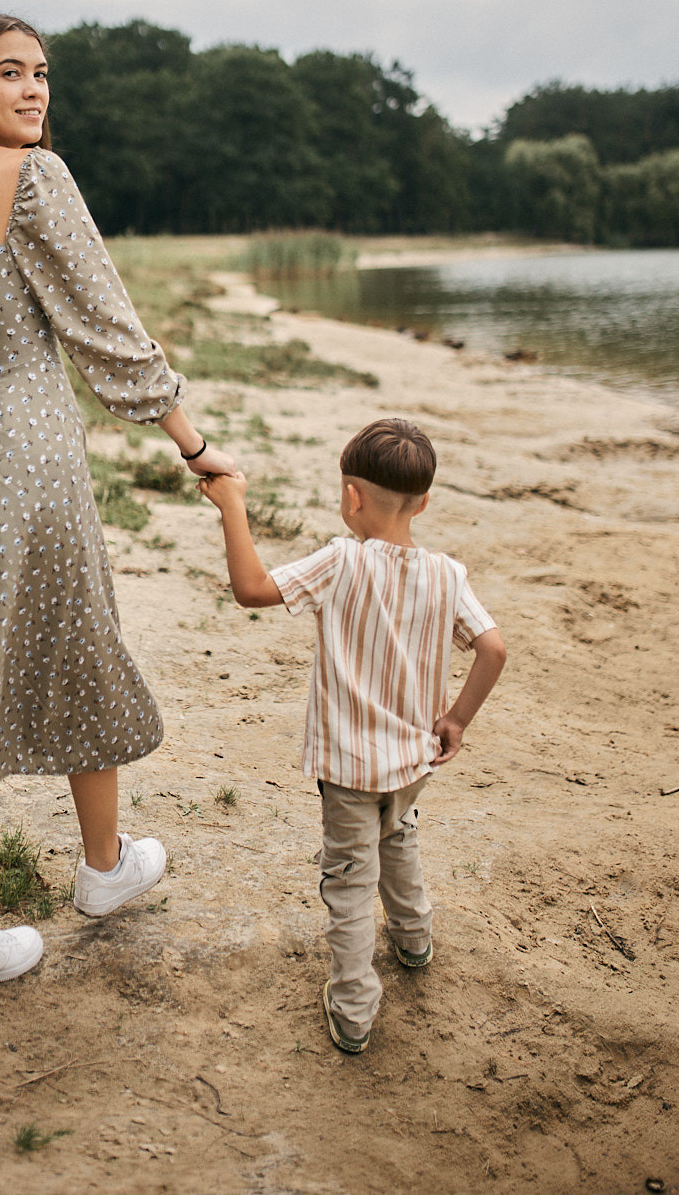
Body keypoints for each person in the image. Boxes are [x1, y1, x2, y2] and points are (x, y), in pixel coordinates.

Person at [0, 11, 235, 1010]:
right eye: (10, 74)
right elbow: (109, 332)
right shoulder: (33, 178)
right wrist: (196, 447)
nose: (35, 91)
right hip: (27, 461)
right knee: (78, 643)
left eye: (42, 75)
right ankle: (101, 866)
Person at [200, 417, 506, 1054]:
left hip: (347, 767)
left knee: (347, 878)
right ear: (423, 502)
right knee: (398, 836)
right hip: (413, 761)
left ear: (349, 497)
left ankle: (355, 1005)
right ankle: (415, 938)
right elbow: (493, 649)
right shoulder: (447, 574)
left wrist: (233, 505)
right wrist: (455, 720)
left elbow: (251, 589)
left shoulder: (341, 562)